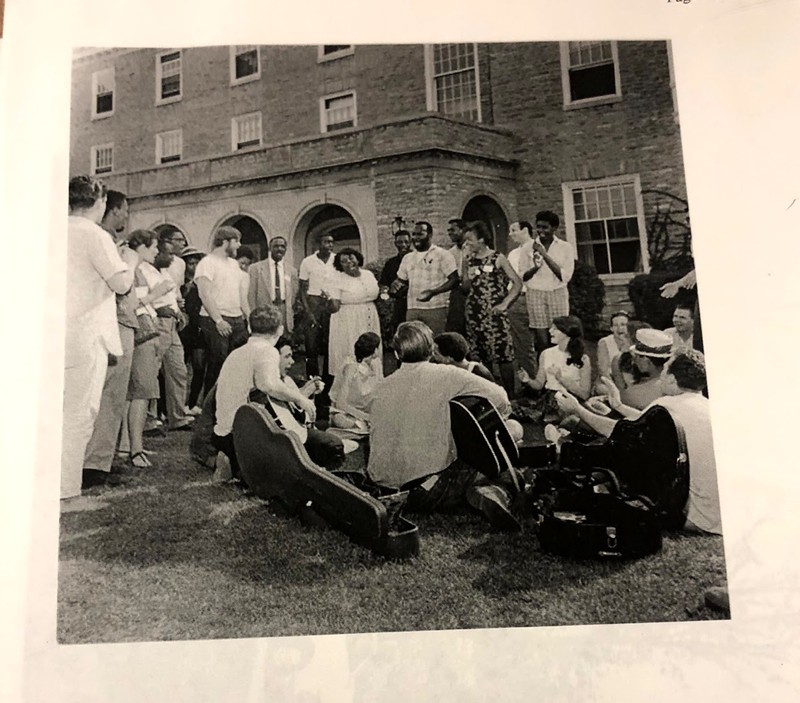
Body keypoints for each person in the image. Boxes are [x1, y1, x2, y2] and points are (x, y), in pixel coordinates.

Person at [366, 321, 523, 531]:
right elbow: (502, 399)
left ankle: (482, 490)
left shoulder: (381, 385)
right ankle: (494, 491)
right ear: (431, 350)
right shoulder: (448, 375)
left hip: (384, 490)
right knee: (511, 435)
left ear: (396, 354)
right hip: (429, 489)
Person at [555, 349, 721, 535]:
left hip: (693, 514)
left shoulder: (667, 405)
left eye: (665, 370)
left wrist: (576, 409)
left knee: (622, 455)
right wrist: (618, 406)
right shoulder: (707, 406)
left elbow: (620, 433)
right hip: (717, 514)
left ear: (673, 380)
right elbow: (644, 422)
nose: (660, 378)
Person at [63, 176, 137, 499]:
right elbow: (121, 283)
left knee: (58, 409)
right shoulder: (94, 234)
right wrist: (131, 262)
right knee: (81, 411)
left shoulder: (54, 230)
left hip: (57, 333)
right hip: (86, 333)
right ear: (100, 202)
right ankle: (66, 487)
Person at [212, 306, 317, 480]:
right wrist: (300, 399)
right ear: (280, 330)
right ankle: (242, 467)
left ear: (250, 328)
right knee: (320, 446)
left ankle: (235, 462)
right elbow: (269, 385)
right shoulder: (267, 350)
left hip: (223, 432)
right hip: (243, 435)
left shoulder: (236, 353)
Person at [82, 189, 136, 489]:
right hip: (114, 324)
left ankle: (97, 460)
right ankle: (95, 465)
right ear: (113, 209)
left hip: (109, 324)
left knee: (99, 396)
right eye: (124, 210)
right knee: (109, 396)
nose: (126, 216)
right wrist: (131, 261)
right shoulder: (104, 241)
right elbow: (121, 285)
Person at [461, 220, 522, 395]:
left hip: (494, 316)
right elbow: (465, 289)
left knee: (503, 355)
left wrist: (505, 303)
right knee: (480, 356)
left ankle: (510, 396)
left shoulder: (498, 258)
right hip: (475, 315)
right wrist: (465, 267)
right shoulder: (469, 260)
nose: (467, 244)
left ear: (481, 239)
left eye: (470, 240)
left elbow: (517, 283)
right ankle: (489, 394)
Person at [123, 229, 166, 469]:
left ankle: (129, 446)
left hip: (143, 335)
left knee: (135, 394)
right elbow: (135, 306)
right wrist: (155, 295)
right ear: (141, 247)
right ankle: (135, 450)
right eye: (154, 247)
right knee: (140, 394)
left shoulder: (136, 270)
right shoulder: (136, 271)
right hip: (142, 336)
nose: (157, 251)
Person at [195, 225, 250, 391]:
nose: (239, 246)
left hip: (237, 320)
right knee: (218, 365)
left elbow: (242, 297)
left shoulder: (234, 265)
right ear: (225, 242)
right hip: (215, 321)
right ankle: (210, 409)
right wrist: (218, 320)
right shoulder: (207, 263)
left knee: (237, 365)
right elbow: (205, 295)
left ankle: (232, 405)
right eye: (236, 241)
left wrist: (249, 318)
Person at [146, 242, 194, 431]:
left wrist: (179, 313)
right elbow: (142, 300)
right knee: (151, 371)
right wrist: (159, 310)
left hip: (172, 326)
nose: (171, 257)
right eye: (167, 253)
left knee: (178, 370)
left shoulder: (166, 273)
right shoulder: (144, 271)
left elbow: (173, 298)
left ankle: (178, 417)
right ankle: (149, 420)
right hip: (157, 323)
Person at [519, 211, 576, 355]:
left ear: (554, 228)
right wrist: (535, 267)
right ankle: (544, 370)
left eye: (545, 227)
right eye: (538, 227)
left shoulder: (565, 247)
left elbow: (565, 277)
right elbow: (523, 277)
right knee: (542, 339)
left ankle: (563, 366)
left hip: (557, 292)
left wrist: (544, 255)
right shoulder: (527, 248)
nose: (541, 231)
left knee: (561, 335)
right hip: (535, 293)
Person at [517, 315, 591, 421]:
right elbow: (539, 385)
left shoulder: (583, 359)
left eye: (555, 329)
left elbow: (584, 394)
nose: (550, 331)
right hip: (550, 398)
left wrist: (561, 379)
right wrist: (528, 380)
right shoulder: (546, 354)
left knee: (570, 418)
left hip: (571, 399)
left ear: (567, 333)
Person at [390, 221, 458, 335]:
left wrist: (433, 292)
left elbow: (454, 280)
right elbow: (401, 280)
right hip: (413, 309)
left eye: (420, 234)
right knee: (415, 345)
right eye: (414, 234)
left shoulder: (443, 254)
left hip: (436, 308)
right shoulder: (408, 258)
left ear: (430, 235)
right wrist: (394, 286)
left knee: (436, 344)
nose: (415, 238)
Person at [326, 248, 383, 379]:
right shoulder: (336, 278)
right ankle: (350, 384)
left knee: (372, 349)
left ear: (358, 258)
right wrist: (329, 299)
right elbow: (334, 307)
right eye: (344, 261)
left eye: (351, 258)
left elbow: (374, 294)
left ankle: (374, 381)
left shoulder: (368, 274)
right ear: (340, 265)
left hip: (369, 314)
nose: (349, 262)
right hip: (348, 320)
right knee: (351, 350)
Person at [298, 232, 336, 378]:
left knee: (330, 346)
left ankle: (328, 383)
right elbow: (302, 290)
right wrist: (309, 312)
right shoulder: (307, 262)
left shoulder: (336, 260)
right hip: (313, 305)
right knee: (311, 347)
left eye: (332, 242)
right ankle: (312, 382)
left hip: (331, 305)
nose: (330, 245)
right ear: (318, 244)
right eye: (326, 242)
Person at [329, 332, 382, 431]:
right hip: (347, 412)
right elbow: (341, 404)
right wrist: (366, 417)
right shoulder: (351, 367)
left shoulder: (376, 363)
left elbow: (381, 391)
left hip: (367, 409)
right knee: (340, 420)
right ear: (375, 350)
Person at [506, 221, 538, 383]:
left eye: (514, 230)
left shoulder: (539, 249)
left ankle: (550, 385)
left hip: (537, 298)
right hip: (517, 300)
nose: (510, 234)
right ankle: (531, 383)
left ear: (525, 230)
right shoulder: (513, 254)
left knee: (545, 341)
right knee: (522, 344)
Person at [613, 328, 673, 410]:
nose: (634, 360)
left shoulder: (638, 393)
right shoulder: (675, 381)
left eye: (637, 356)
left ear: (646, 360)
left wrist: (616, 368)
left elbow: (620, 400)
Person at [178, 246, 207, 415]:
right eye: (190, 263)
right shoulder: (179, 284)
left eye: (197, 263)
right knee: (180, 369)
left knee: (199, 367)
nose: (194, 267)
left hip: (199, 330)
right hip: (182, 331)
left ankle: (192, 403)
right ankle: (175, 404)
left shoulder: (203, 282)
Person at [248, 236, 296, 335]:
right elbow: (251, 296)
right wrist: (252, 318)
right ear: (270, 248)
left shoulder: (291, 271)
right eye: (276, 246)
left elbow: (294, 293)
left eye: (282, 246)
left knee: (284, 341)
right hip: (264, 312)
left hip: (284, 311)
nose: (279, 249)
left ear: (286, 249)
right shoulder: (256, 269)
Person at [378, 229, 411, 341]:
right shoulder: (391, 263)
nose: (403, 245)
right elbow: (383, 284)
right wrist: (386, 290)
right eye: (400, 242)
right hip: (399, 304)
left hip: (415, 302)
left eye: (406, 242)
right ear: (395, 244)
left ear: (410, 242)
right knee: (400, 334)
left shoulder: (417, 259)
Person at [445, 218, 468, 336]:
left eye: (453, 230)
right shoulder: (450, 253)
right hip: (457, 294)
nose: (450, 233)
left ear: (462, 230)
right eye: (448, 230)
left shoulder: (472, 248)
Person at [595, 311, 632, 385]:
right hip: (608, 382)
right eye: (615, 325)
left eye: (623, 324)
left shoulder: (633, 342)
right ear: (611, 328)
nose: (619, 328)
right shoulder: (604, 342)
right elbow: (603, 371)